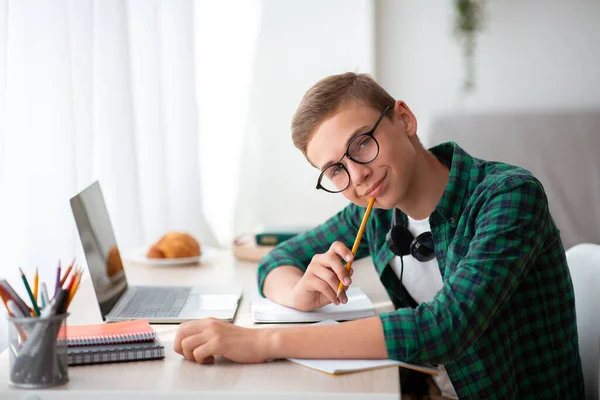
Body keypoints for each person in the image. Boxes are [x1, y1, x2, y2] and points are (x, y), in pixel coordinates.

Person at [173, 72, 584, 399]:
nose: (356, 177)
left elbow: (444, 329)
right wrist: (297, 292)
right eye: (336, 170)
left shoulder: (509, 195)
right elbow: (276, 260)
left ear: (403, 119)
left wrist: (264, 343)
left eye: (362, 144)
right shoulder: (375, 213)